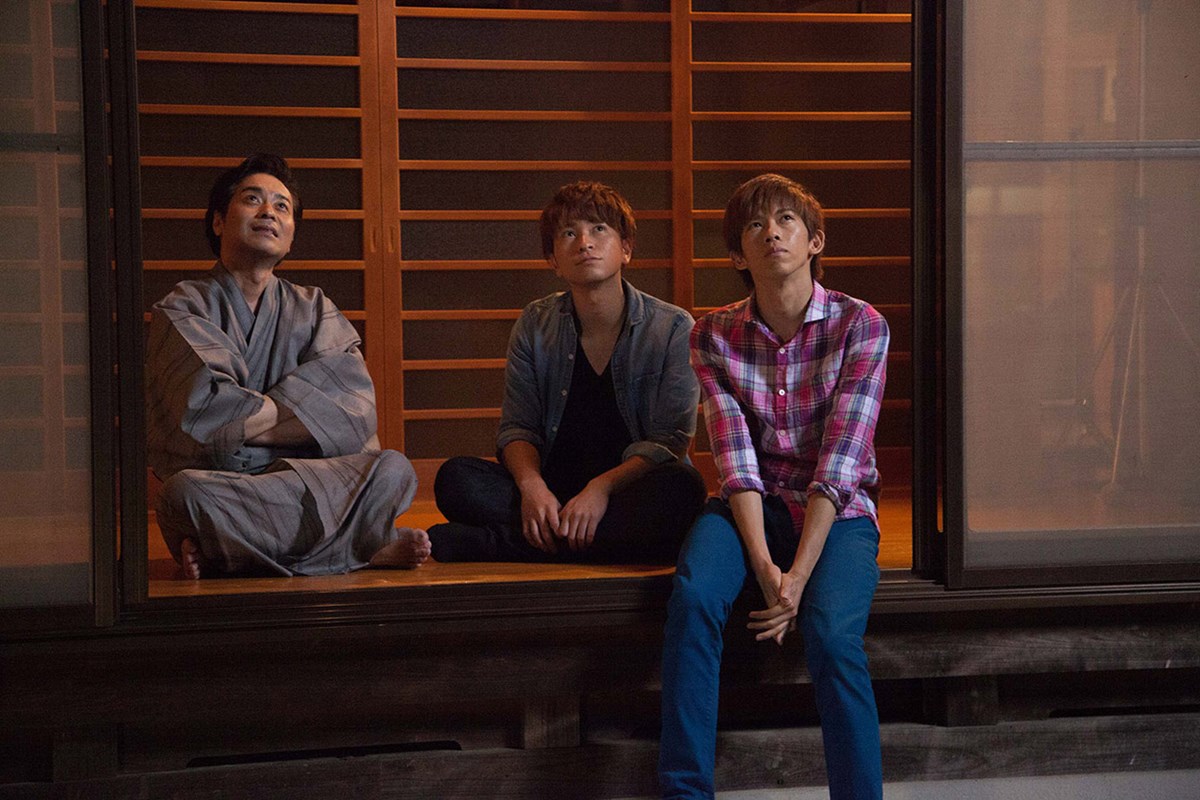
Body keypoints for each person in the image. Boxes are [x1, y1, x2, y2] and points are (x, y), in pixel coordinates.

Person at [658, 174, 889, 799]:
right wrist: (765, 567)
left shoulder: (861, 325)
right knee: (695, 599)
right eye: (755, 225)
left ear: (815, 240)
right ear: (738, 254)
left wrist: (798, 578)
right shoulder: (711, 334)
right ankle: (685, 793)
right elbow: (734, 459)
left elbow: (842, 461)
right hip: (750, 505)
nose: (772, 233)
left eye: (787, 220)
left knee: (832, 634)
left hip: (838, 513)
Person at [146, 153, 429, 578]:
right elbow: (206, 416)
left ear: (291, 236)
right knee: (183, 494)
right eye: (252, 199)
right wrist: (305, 412)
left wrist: (244, 425)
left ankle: (234, 554)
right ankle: (362, 547)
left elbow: (352, 415)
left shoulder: (314, 307)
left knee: (392, 468)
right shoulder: (183, 306)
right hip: (227, 481)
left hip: (308, 478)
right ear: (218, 221)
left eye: (282, 206)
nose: (269, 212)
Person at [427, 181, 706, 563]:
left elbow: (670, 441)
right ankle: (589, 541)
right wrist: (532, 487)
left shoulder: (672, 328)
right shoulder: (535, 324)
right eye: (569, 234)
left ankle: (501, 544)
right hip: (554, 489)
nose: (584, 243)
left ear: (626, 248)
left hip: (626, 490)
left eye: (599, 229)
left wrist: (600, 489)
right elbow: (518, 428)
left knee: (683, 488)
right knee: (456, 479)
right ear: (553, 260)